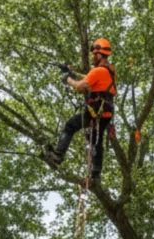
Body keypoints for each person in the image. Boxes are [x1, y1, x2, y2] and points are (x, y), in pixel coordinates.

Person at [44, 38, 117, 181]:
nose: (93, 57)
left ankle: (58, 155)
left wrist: (67, 79)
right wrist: (72, 72)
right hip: (106, 113)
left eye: (94, 54)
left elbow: (80, 87)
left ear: (99, 54)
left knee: (71, 125)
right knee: (96, 139)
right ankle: (96, 174)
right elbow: (88, 77)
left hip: (95, 112)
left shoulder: (98, 71)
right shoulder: (110, 71)